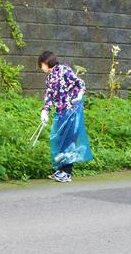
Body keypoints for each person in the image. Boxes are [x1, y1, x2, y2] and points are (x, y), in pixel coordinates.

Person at [39, 51, 92, 183]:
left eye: (41, 65)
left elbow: (80, 83)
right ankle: (59, 169)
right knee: (58, 140)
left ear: (46, 63)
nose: (41, 68)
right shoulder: (49, 78)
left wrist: (79, 95)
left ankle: (67, 172)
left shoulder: (63, 70)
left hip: (71, 110)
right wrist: (45, 111)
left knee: (68, 141)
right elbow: (49, 96)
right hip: (60, 112)